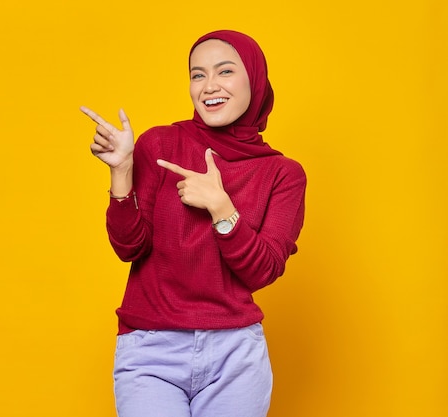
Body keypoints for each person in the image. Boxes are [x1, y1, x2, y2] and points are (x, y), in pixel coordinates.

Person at [80, 30, 306, 417]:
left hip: (235, 355)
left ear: (254, 79)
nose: (209, 86)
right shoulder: (160, 145)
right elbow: (128, 247)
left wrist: (221, 207)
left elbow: (263, 270)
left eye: (225, 71)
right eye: (198, 75)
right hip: (151, 349)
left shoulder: (282, 174)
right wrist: (122, 171)